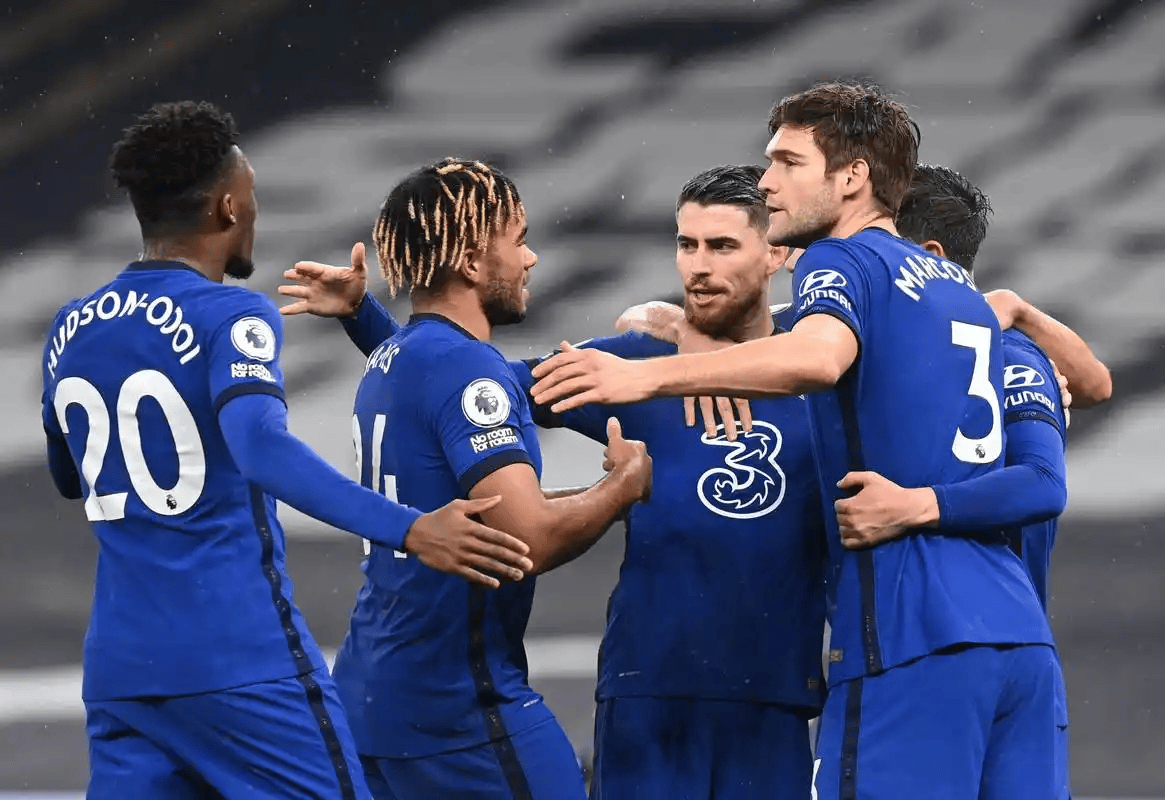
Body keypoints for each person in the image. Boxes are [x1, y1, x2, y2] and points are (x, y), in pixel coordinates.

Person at [527, 81, 1063, 799]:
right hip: (1016, 636)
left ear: (852, 177)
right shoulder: (955, 291)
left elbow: (815, 357)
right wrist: (676, 324)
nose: (767, 182)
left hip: (909, 629)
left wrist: (644, 378)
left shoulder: (839, 262)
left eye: (787, 163)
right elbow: (1056, 434)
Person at [281, 164, 830, 799]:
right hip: (646, 691)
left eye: (723, 246)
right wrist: (367, 319)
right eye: (687, 244)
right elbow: (466, 385)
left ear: (777, 252)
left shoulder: (823, 369)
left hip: (775, 696)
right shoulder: (632, 364)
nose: (698, 267)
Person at [40, 102, 533, 800]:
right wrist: (411, 528)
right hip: (238, 659)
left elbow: (70, 475)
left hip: (123, 670)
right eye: (252, 197)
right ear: (228, 206)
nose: (254, 212)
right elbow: (262, 449)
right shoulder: (232, 313)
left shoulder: (70, 327)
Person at [324, 158, 652, 800]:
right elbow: (527, 539)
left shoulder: (395, 355)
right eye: (518, 240)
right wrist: (623, 485)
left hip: (372, 691)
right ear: (473, 263)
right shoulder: (467, 371)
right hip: (455, 707)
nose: (531, 259)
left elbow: (492, 509)